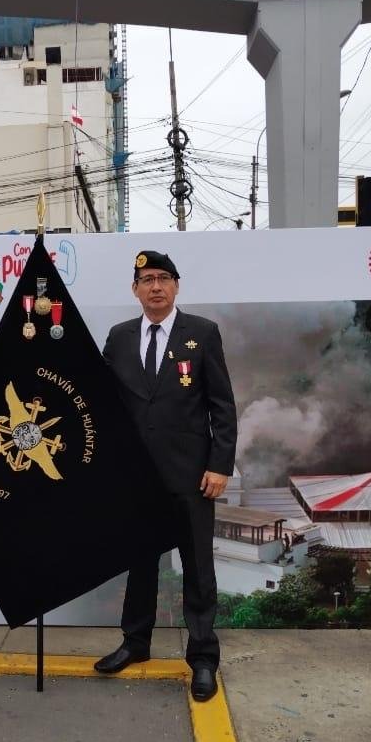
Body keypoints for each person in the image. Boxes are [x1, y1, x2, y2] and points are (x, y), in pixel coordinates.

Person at [95, 250, 237, 701]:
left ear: (176, 285)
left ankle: (203, 658)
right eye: (146, 279)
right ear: (134, 289)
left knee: (198, 568)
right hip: (137, 478)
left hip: (192, 476)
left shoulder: (202, 333)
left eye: (163, 278)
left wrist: (220, 465)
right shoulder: (119, 337)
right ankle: (135, 642)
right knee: (140, 565)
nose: (155, 286)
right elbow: (102, 400)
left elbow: (222, 406)